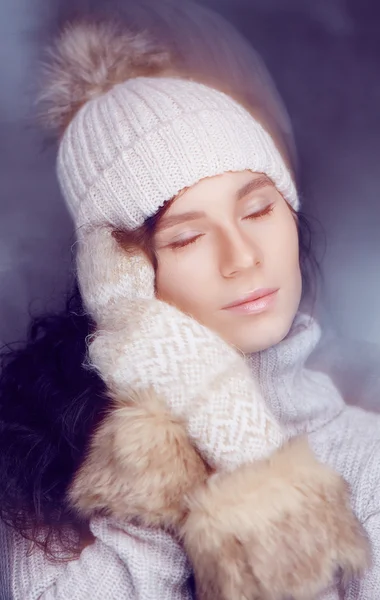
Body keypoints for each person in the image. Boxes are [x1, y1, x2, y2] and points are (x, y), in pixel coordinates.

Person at [0, 17, 378, 600]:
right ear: (121, 277)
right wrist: (160, 450)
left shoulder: (367, 455)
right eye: (187, 238)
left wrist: (248, 461)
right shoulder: (36, 459)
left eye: (257, 211)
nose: (243, 256)